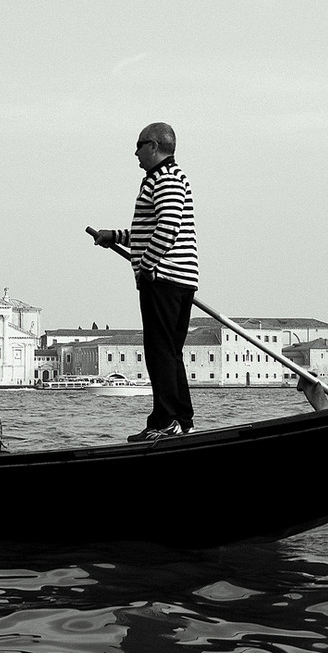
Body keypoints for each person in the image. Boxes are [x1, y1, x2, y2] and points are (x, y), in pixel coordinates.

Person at [93, 122, 199, 441]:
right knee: (169, 351)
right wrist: (115, 236)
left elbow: (167, 227)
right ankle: (180, 420)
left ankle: (166, 421)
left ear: (153, 146)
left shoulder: (164, 179)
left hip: (164, 277)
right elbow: (148, 231)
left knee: (158, 351)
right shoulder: (168, 179)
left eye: (139, 145)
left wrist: (148, 266)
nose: (135, 152)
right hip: (178, 277)